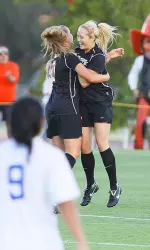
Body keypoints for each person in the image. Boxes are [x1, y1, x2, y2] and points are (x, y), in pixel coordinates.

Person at [0, 96, 90, 250]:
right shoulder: (51, 156)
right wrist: (81, 241)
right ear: (42, 123)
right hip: (44, 243)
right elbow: (66, 203)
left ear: (10, 123)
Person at [41, 25, 110, 168]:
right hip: (67, 107)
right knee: (73, 152)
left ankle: (49, 187)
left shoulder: (55, 58)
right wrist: (106, 76)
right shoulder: (70, 57)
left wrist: (108, 57)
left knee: (58, 154)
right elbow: (90, 76)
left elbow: (91, 66)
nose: (75, 36)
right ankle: (56, 184)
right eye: (70, 34)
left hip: (52, 107)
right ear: (66, 39)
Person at [75, 20, 123, 208]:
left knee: (102, 144)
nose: (78, 40)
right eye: (77, 36)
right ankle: (90, 185)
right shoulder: (78, 53)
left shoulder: (97, 55)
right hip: (83, 104)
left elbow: (85, 82)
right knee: (85, 147)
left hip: (101, 102)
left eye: (82, 37)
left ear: (92, 37)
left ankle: (114, 187)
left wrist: (78, 66)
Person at [128, 15, 150, 149]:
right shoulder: (140, 60)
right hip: (144, 96)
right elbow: (133, 74)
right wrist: (134, 89)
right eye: (147, 41)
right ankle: (138, 146)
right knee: (140, 122)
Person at [0, 46, 20, 122]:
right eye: (0, 54)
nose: (3, 55)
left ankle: (10, 135)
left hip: (9, 101)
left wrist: (9, 77)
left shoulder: (13, 66)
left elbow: (14, 80)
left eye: (5, 53)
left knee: (9, 123)